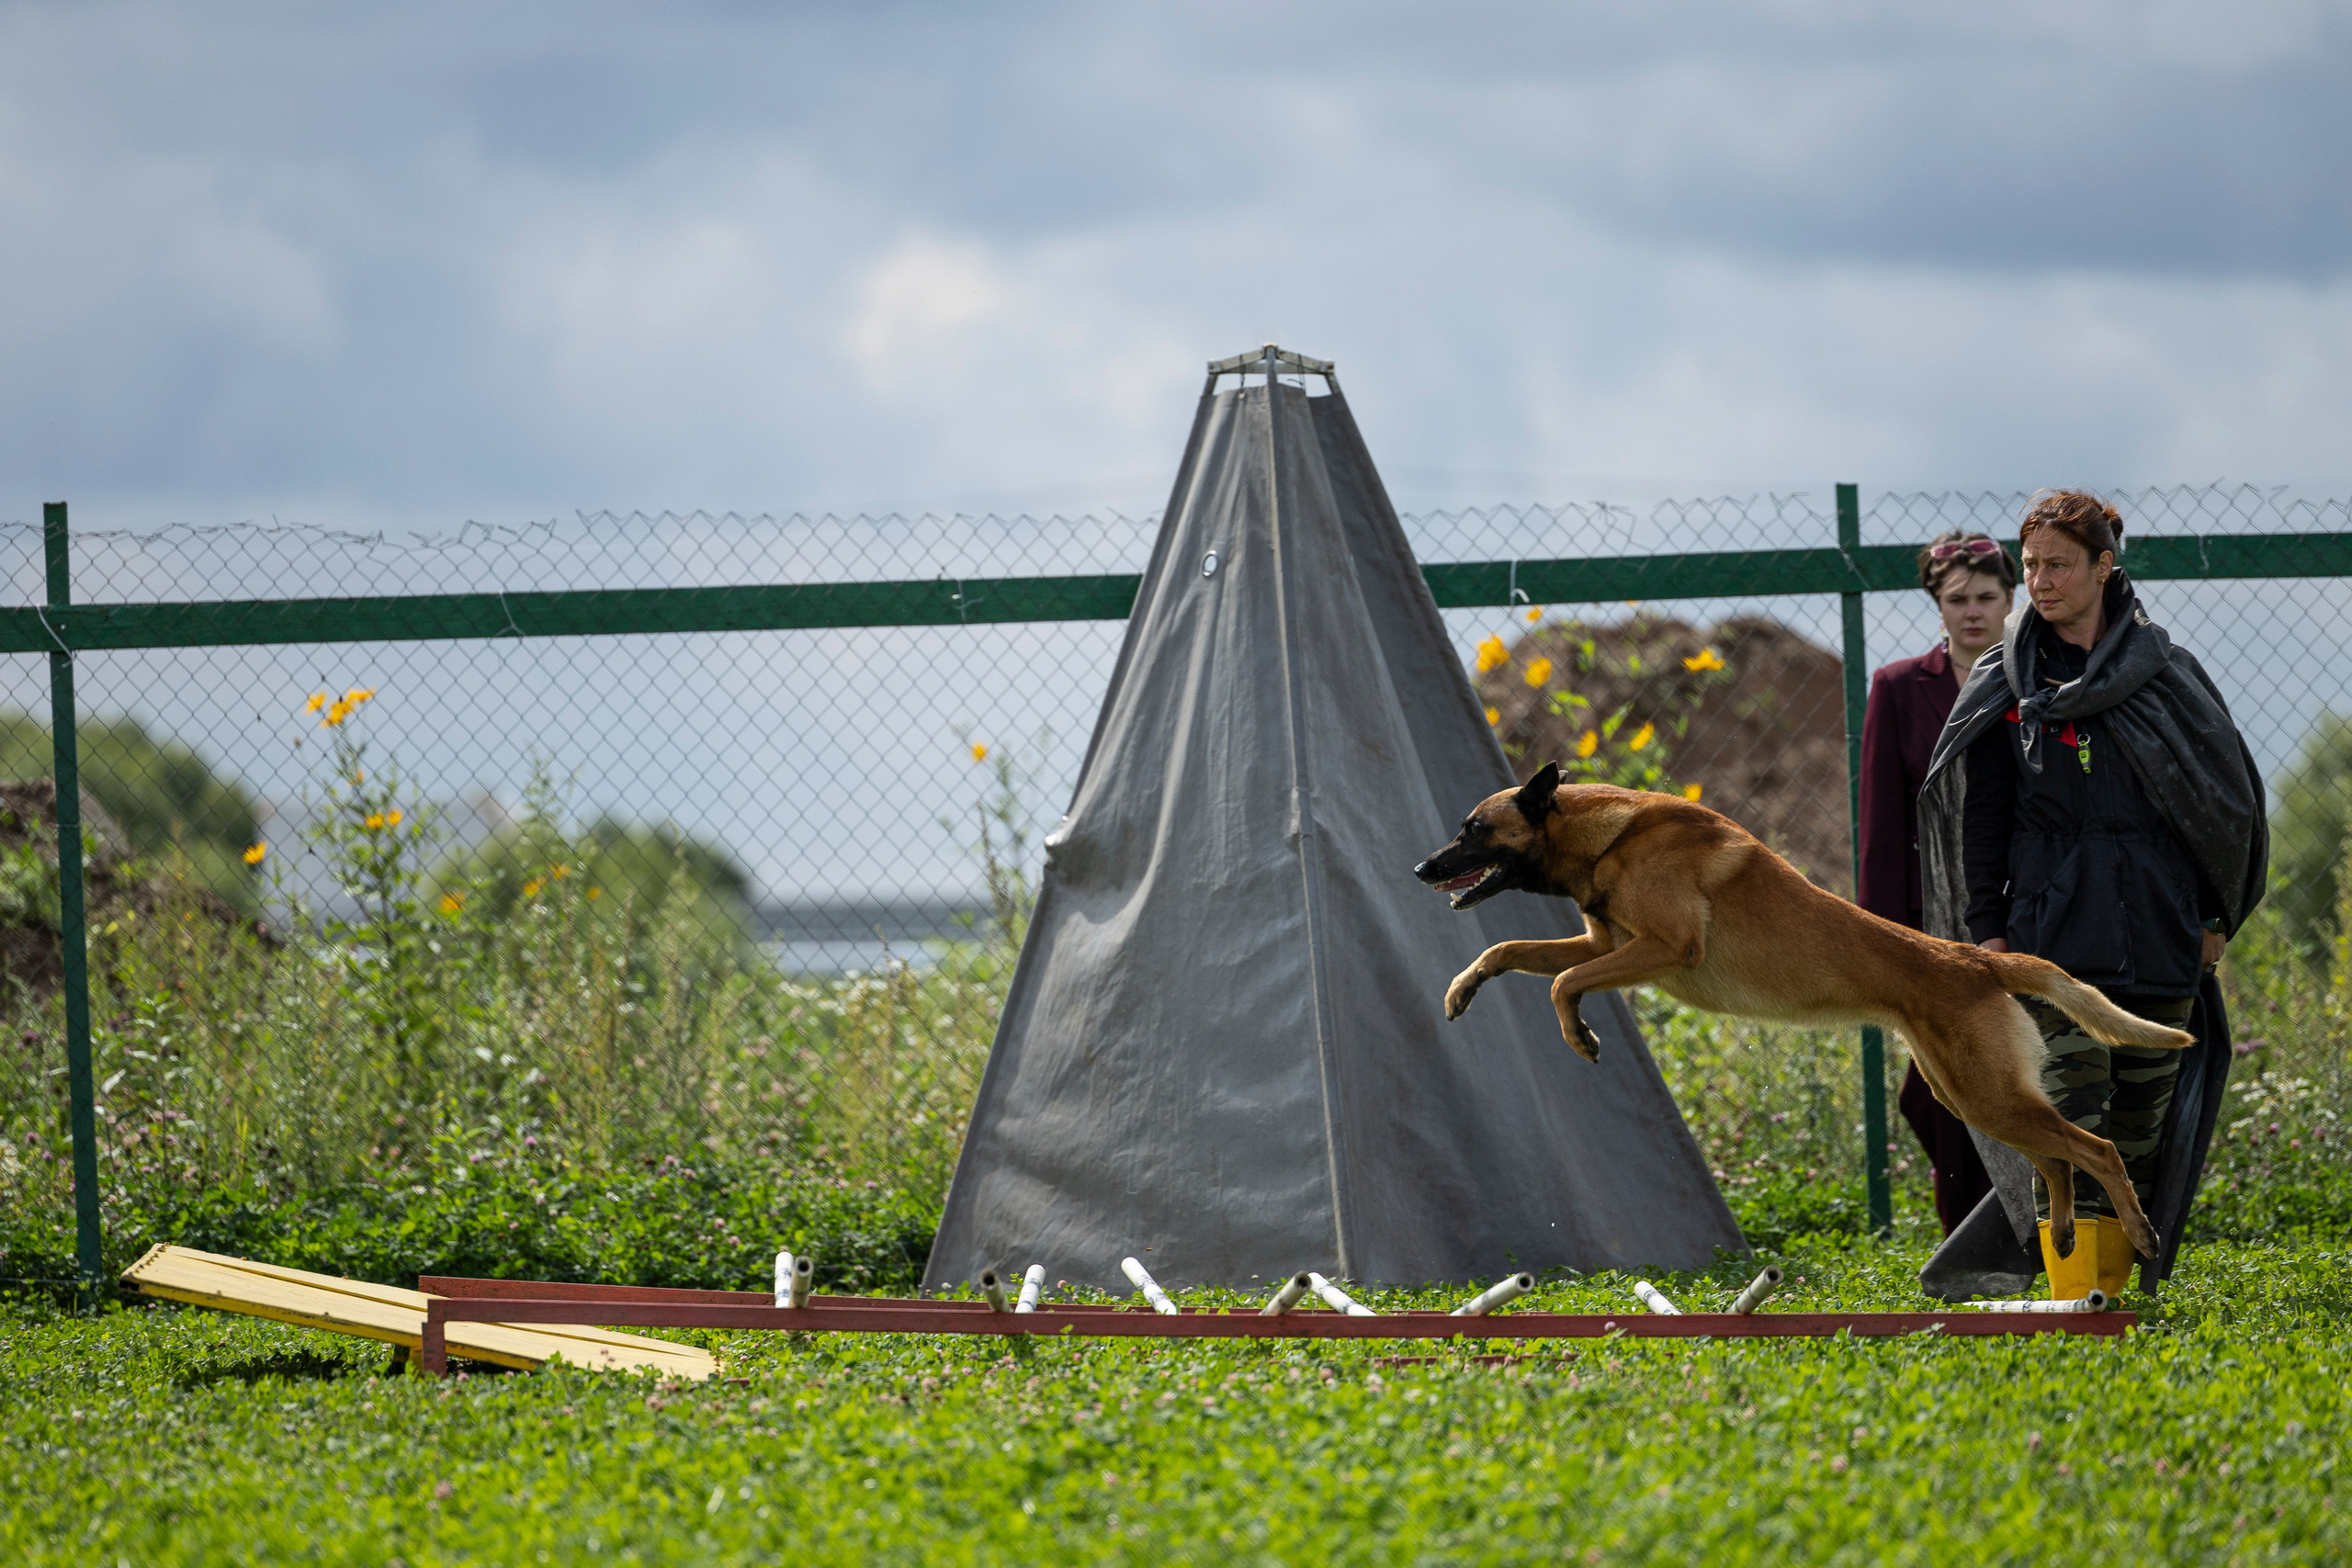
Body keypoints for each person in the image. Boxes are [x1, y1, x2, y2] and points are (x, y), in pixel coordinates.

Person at [1913, 491, 2267, 1300]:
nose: (2039, 580)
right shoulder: (2008, 679)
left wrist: (2214, 916)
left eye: (2058, 564)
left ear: (2105, 567)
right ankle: (2075, 1303)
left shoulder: (2167, 675)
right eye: (2031, 564)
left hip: (2158, 933)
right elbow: (1983, 817)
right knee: (2065, 1128)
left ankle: (2110, 1296)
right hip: (2047, 944)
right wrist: (1988, 934)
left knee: (2139, 1133)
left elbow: (2225, 805)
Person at [1858, 531, 2013, 1235]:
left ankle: (2024, 1223)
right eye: (1958, 600)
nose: (1973, 612)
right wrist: (1878, 937)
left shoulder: (2033, 681)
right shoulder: (1898, 687)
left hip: (2017, 906)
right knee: (1933, 1092)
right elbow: (1882, 823)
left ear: (2011, 600)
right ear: (1938, 604)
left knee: (2007, 1071)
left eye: (1986, 597)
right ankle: (1970, 1230)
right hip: (1930, 916)